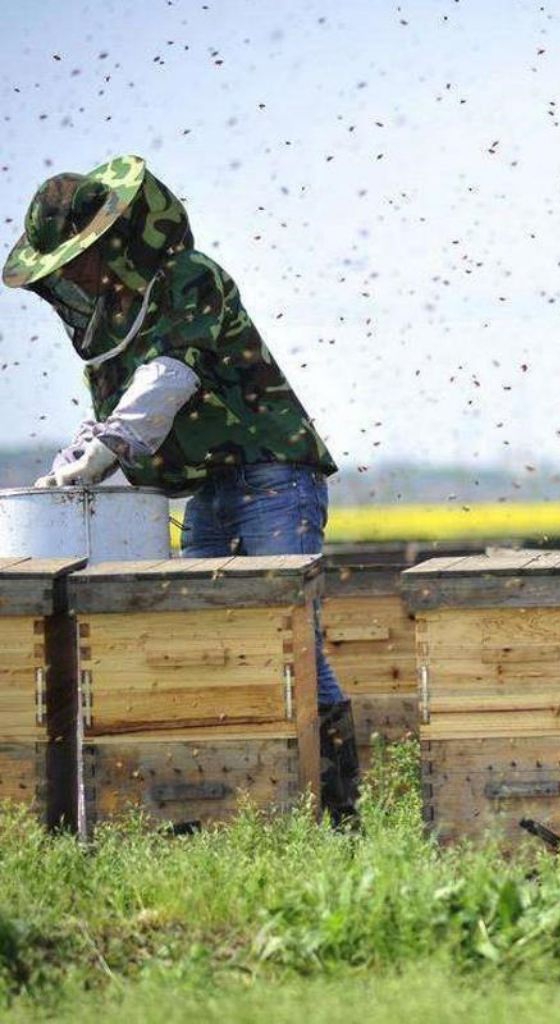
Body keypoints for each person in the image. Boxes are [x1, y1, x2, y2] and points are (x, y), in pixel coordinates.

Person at [2, 155, 359, 824]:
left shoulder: (191, 279)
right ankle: (250, 813)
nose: (73, 275)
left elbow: (169, 376)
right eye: (62, 268)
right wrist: (77, 456)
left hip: (273, 472)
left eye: (78, 257)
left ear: (114, 238)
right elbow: (118, 401)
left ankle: (339, 818)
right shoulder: (113, 316)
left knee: (290, 639)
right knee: (208, 635)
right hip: (210, 487)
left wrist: (107, 448)